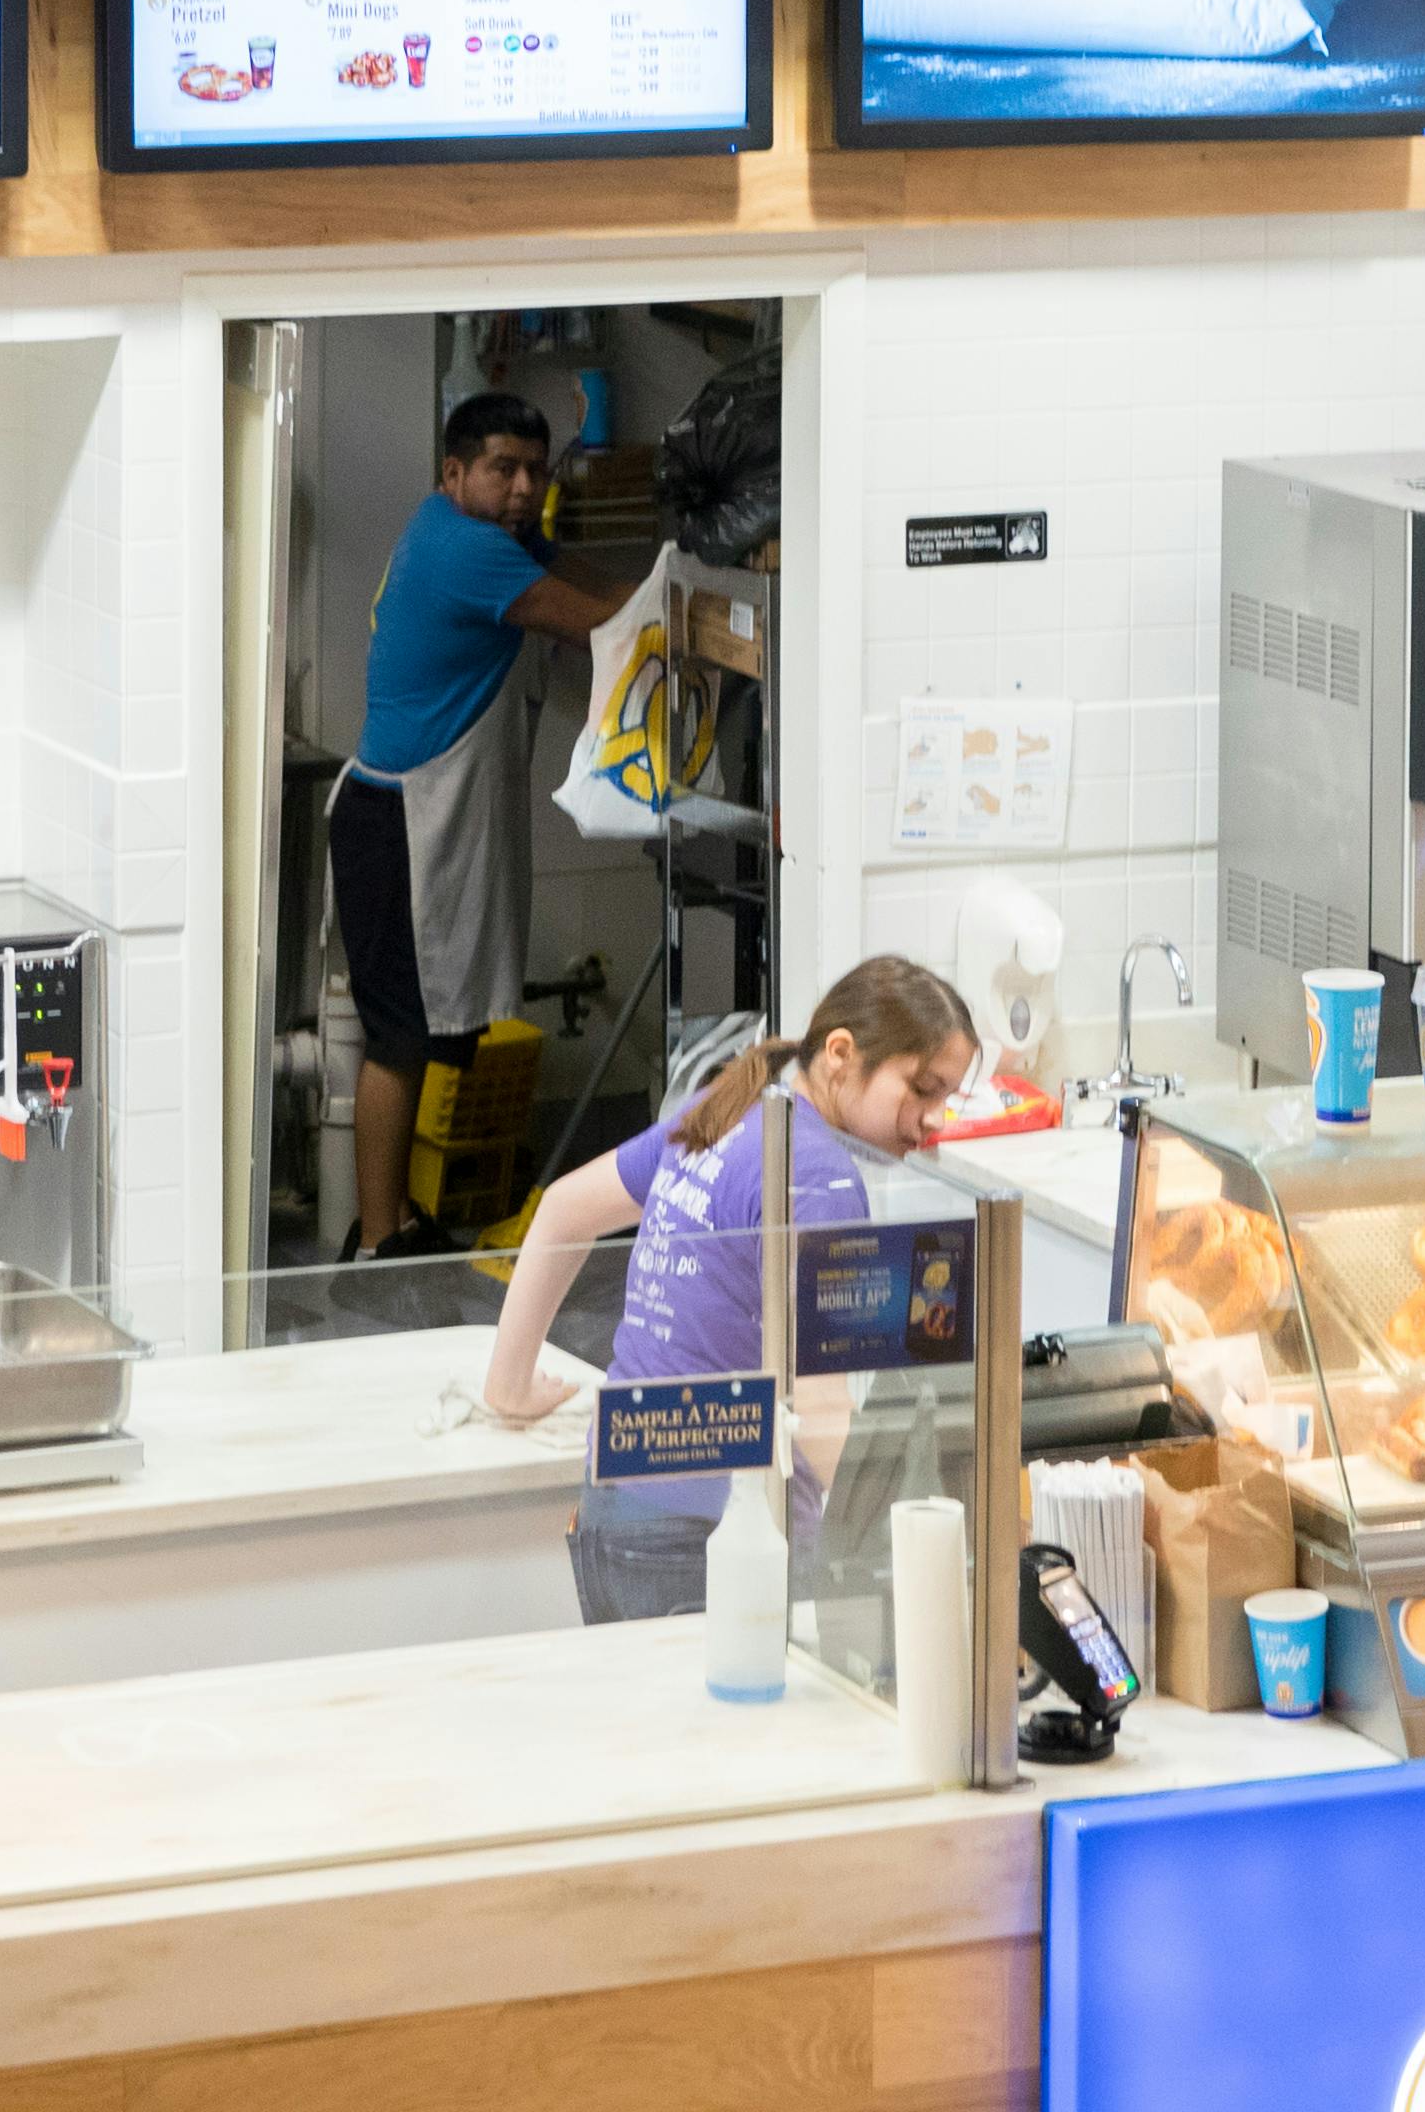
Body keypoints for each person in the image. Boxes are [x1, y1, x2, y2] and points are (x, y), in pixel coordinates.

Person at [476, 956, 980, 1622]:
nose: (932, 1118)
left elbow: (564, 1208)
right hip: (714, 1539)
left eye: (947, 1099)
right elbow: (822, 1409)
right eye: (921, 1089)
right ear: (840, 1054)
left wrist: (508, 1385)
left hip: (613, 1509)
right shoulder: (820, 1179)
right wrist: (917, 1540)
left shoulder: (725, 1109)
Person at [332, 389, 634, 1258]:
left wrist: (674, 586)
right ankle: (379, 1244)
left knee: (423, 1033)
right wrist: (700, 616)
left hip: (417, 814)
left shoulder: (488, 534)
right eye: (504, 469)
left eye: (536, 470)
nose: (524, 488)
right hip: (397, 822)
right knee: (397, 1043)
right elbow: (594, 622)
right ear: (454, 471)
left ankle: (398, 1224)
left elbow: (590, 578)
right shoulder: (465, 551)